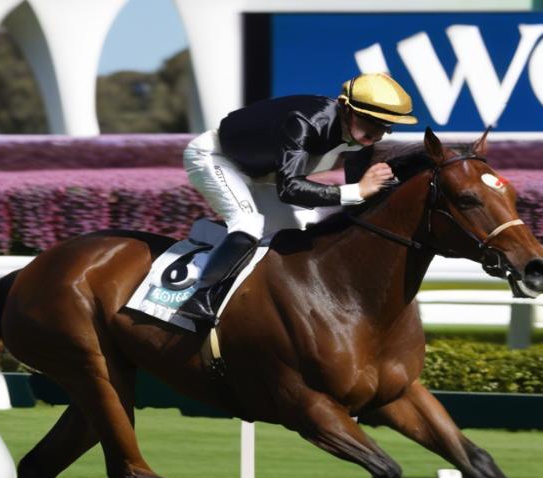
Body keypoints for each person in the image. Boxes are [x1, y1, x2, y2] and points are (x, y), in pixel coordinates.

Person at [176, 72, 419, 326]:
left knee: (306, 225)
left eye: (385, 125)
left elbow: (355, 200)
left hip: (259, 171)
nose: (377, 131)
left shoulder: (359, 137)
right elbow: (290, 188)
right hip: (216, 158)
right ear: (346, 108)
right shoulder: (304, 122)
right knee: (248, 223)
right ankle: (198, 299)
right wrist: (357, 192)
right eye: (371, 120)